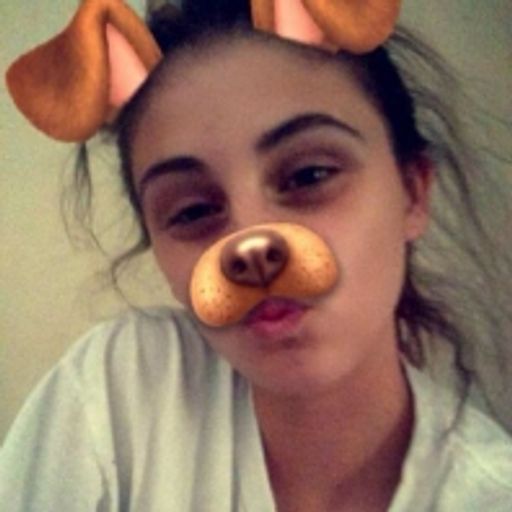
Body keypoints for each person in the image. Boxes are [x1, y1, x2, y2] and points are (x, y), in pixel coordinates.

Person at [1, 1, 511, 511]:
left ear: (412, 193)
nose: (249, 243)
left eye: (309, 175)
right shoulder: (119, 392)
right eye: (193, 210)